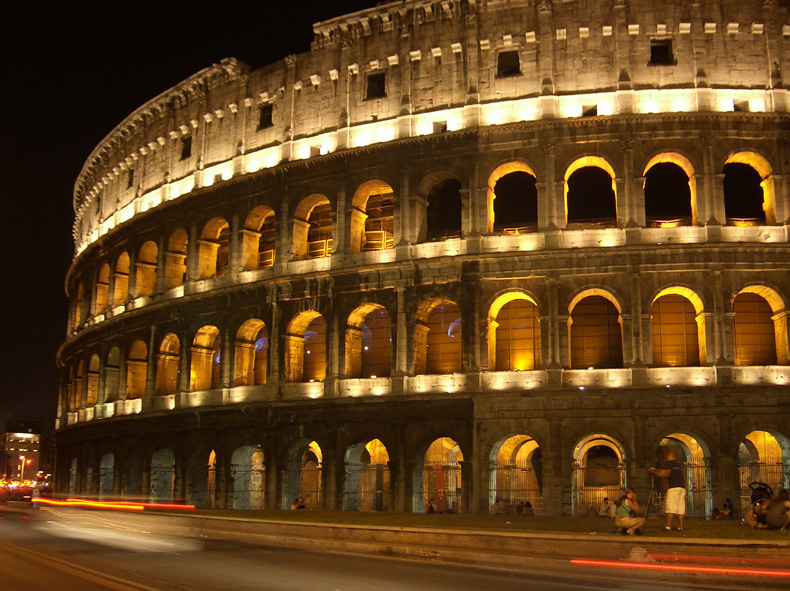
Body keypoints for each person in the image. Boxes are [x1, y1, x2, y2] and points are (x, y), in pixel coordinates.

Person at [650, 450, 686, 532]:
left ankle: (668, 526)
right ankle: (680, 527)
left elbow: (664, 474)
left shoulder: (670, 464)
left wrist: (653, 471)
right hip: (682, 488)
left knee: (670, 507)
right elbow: (664, 471)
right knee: (680, 508)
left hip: (673, 487)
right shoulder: (678, 465)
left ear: (668, 457)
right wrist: (656, 470)